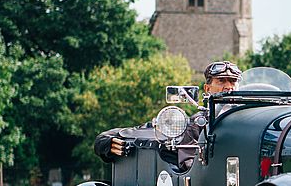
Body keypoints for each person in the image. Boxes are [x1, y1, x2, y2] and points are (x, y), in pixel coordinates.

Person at [94, 61, 242, 168]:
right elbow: (188, 163)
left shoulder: (251, 117)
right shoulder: (199, 122)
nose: (228, 86)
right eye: (221, 81)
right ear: (207, 88)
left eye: (233, 81)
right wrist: (106, 142)